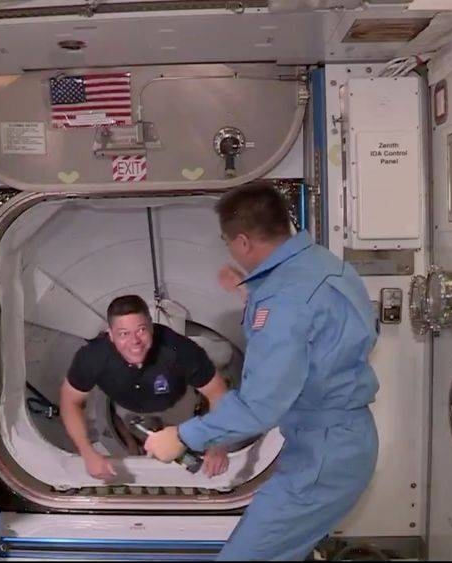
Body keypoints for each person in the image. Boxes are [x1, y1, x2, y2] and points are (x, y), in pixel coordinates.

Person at [144, 184, 380, 561]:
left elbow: (260, 406)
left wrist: (182, 436)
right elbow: (319, 334)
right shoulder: (323, 265)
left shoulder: (283, 298)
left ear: (242, 242)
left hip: (321, 454)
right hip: (344, 440)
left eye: (226, 242)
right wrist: (249, 292)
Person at [59, 295, 231, 481]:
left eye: (141, 330)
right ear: (110, 334)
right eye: (124, 333)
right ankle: (130, 440)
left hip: (178, 407)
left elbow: (217, 392)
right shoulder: (93, 357)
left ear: (151, 326)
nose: (135, 342)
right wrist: (87, 452)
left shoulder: (179, 350)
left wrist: (218, 444)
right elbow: (70, 401)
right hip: (126, 410)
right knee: (130, 433)